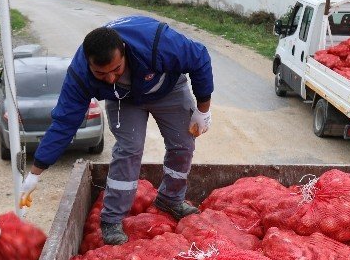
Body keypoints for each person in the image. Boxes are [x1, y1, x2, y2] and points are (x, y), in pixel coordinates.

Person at [20, 15, 214, 245]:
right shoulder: (80, 74)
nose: (110, 78)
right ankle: (111, 219)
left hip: (167, 88)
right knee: (129, 149)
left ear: (124, 50)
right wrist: (36, 171)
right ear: (88, 63)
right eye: (101, 74)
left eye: (116, 69)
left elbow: (199, 57)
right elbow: (64, 123)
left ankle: (170, 199)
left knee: (183, 144)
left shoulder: (156, 42)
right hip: (124, 99)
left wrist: (203, 110)